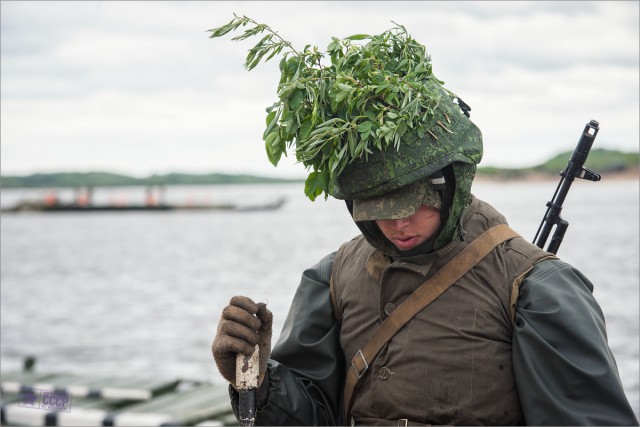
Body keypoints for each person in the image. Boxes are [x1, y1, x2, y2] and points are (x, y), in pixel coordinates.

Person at [211, 48, 638, 427]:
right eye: (377, 212)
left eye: (413, 206)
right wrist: (258, 382)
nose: (397, 226)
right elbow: (314, 416)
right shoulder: (333, 277)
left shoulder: (535, 287)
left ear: (451, 185)